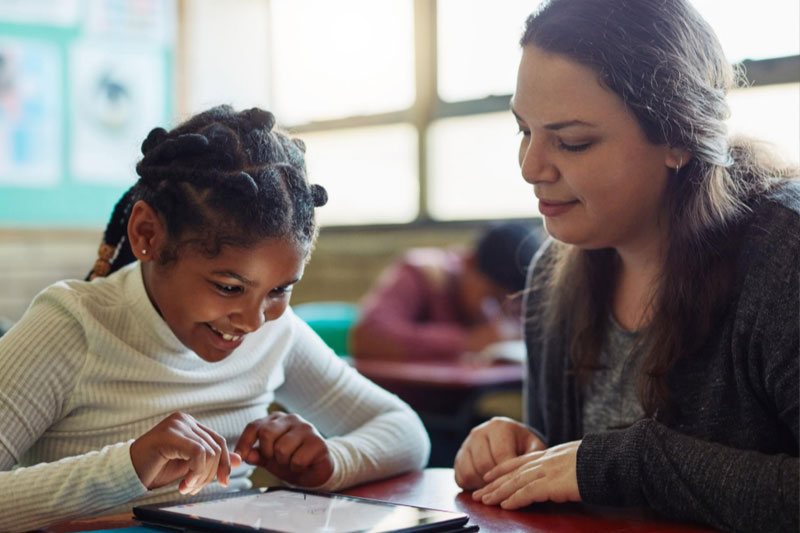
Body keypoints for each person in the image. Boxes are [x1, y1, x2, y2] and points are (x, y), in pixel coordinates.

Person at [453, 1, 798, 532]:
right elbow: (577, 490)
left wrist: (633, 462)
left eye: (572, 142)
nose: (530, 168)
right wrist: (524, 453)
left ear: (678, 137)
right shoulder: (553, 273)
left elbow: (611, 467)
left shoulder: (784, 257)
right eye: (524, 130)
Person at [0, 105, 430, 531]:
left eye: (280, 290)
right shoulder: (71, 326)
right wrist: (128, 467)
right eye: (228, 287)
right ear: (147, 235)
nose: (253, 321)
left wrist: (329, 463)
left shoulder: (276, 333)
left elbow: (405, 432)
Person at [350, 222, 541, 362]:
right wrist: (468, 341)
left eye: (507, 306)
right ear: (469, 262)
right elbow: (368, 337)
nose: (495, 315)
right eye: (491, 298)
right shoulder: (422, 273)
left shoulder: (512, 294)